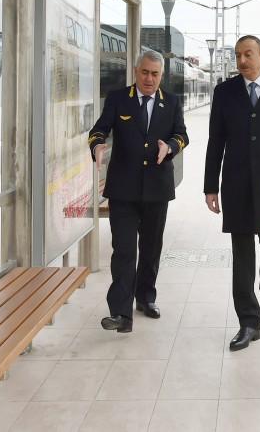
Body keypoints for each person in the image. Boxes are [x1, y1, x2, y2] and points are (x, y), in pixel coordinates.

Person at [88, 50, 188, 333]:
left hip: (157, 189)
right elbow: (98, 130)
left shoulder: (172, 102)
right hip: (123, 190)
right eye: (145, 72)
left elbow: (182, 134)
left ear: (161, 76)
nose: (149, 78)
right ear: (136, 71)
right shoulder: (119, 98)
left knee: (151, 248)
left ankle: (146, 298)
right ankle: (121, 313)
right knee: (123, 250)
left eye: (155, 74)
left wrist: (169, 147)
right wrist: (97, 147)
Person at [204, 35, 260, 351]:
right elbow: (216, 141)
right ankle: (248, 322)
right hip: (237, 186)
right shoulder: (224, 92)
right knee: (242, 257)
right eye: (238, 55)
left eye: (248, 54)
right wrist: (211, 186)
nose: (242, 61)